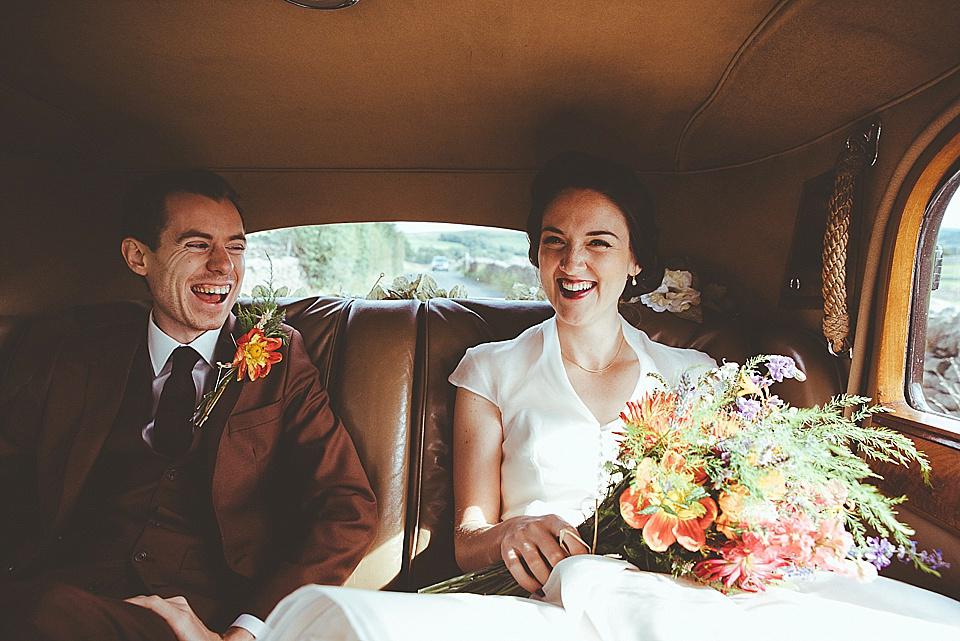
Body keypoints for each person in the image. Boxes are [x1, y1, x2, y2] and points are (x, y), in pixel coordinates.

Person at [255, 152, 960, 641]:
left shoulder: (694, 375)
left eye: (598, 243)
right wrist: (506, 535)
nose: (573, 262)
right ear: (537, 254)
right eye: (554, 242)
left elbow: (738, 496)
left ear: (634, 262)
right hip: (543, 595)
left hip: (677, 593)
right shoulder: (489, 369)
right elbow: (469, 538)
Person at [0, 170, 378, 641]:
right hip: (60, 594)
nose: (224, 267)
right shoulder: (78, 355)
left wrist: (251, 630)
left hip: (195, 620)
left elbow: (347, 506)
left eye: (236, 247)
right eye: (198, 244)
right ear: (139, 257)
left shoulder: (279, 358)